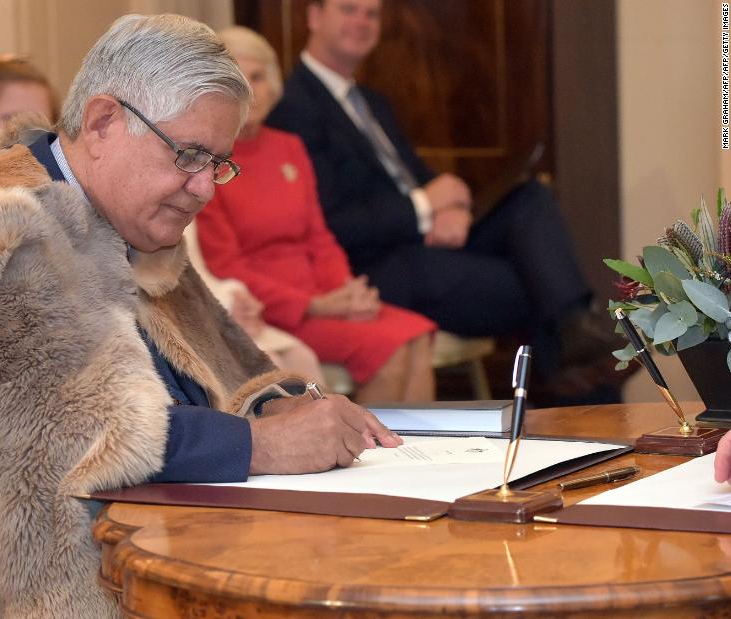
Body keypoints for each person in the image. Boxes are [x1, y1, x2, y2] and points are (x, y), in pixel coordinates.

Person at [0, 14, 401, 617]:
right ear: (104, 121)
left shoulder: (128, 222)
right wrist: (262, 444)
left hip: (155, 535)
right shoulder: (3, 231)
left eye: (218, 163)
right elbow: (61, 432)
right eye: (189, 154)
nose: (206, 187)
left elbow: (220, 365)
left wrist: (281, 405)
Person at [266, 0, 620, 388]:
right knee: (536, 284)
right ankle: (589, 369)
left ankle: (580, 339)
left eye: (372, 13)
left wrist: (453, 208)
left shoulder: (372, 101)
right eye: (348, 9)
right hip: (378, 264)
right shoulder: (293, 106)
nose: (362, 22)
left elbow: (418, 177)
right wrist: (423, 209)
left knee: (529, 199)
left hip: (426, 242)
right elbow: (333, 220)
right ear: (315, 17)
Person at [199, 26, 435, 403]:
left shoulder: (289, 147)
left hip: (323, 297)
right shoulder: (210, 161)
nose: (251, 90)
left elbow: (318, 236)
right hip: (274, 311)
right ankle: (376, 453)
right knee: (389, 348)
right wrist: (312, 305)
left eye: (258, 77)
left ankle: (425, 456)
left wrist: (345, 291)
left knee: (419, 333)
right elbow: (227, 267)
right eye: (238, 79)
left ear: (273, 81)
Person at [183, 222, 325, 382]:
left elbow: (198, 273)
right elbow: (166, 283)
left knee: (302, 357)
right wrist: (225, 308)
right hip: (186, 320)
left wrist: (237, 296)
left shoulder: (188, 209)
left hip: (210, 303)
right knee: (268, 366)